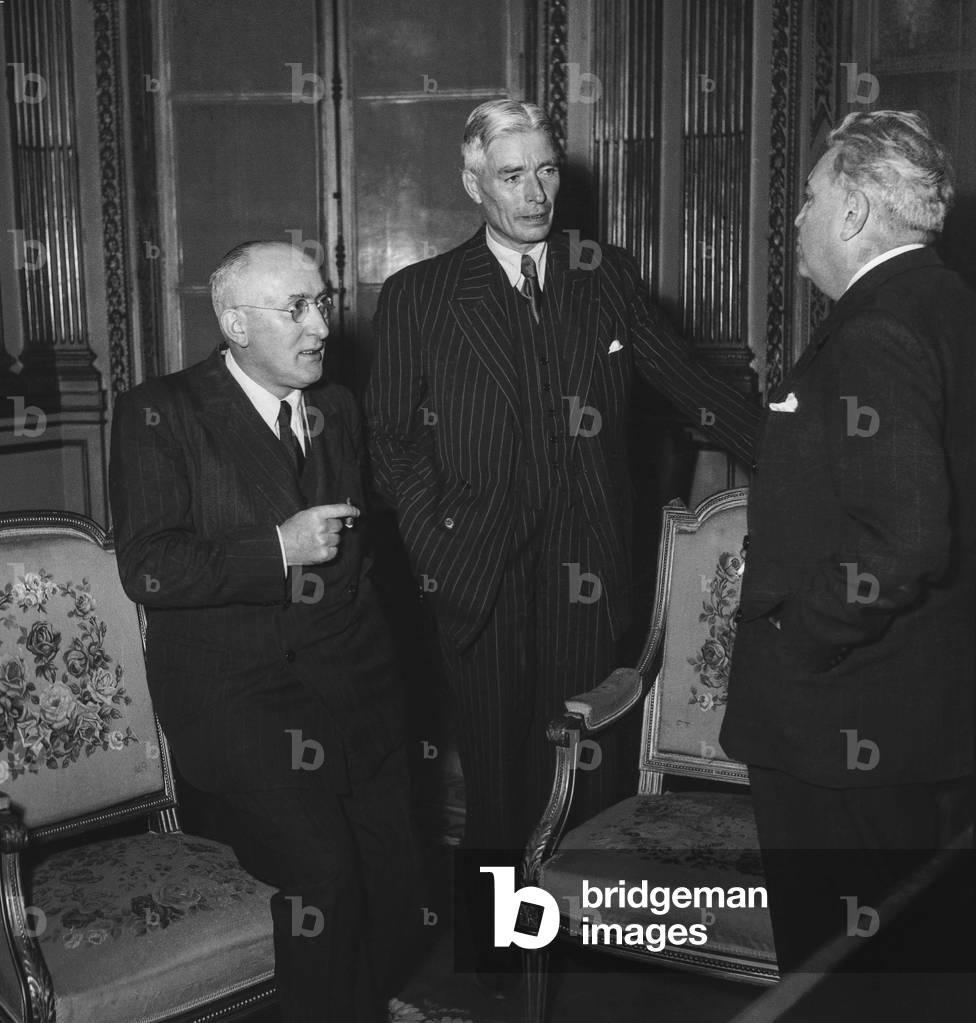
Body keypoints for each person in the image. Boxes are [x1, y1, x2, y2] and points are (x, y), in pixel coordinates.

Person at [365, 99, 759, 959]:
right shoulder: (421, 295)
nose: (537, 192)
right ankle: (499, 957)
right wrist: (442, 547)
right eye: (513, 176)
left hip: (590, 568)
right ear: (473, 183)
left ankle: (583, 943)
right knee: (497, 777)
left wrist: (796, 451)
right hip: (477, 573)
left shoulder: (602, 272)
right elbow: (391, 446)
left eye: (547, 170)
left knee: (588, 767)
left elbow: (690, 382)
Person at [110, 241, 415, 1022]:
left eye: (323, 301)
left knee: (391, 876)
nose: (321, 324)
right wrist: (278, 547)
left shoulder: (337, 407)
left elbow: (363, 556)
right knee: (323, 873)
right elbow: (148, 568)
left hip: (352, 677)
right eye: (298, 308)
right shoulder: (161, 411)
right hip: (238, 693)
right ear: (235, 323)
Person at [721, 110, 975, 975]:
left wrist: (799, 636)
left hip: (846, 721)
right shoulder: (949, 305)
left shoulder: (876, 331)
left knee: (838, 976)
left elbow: (906, 537)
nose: (795, 218)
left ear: (857, 213)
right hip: (918, 718)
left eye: (809, 196)